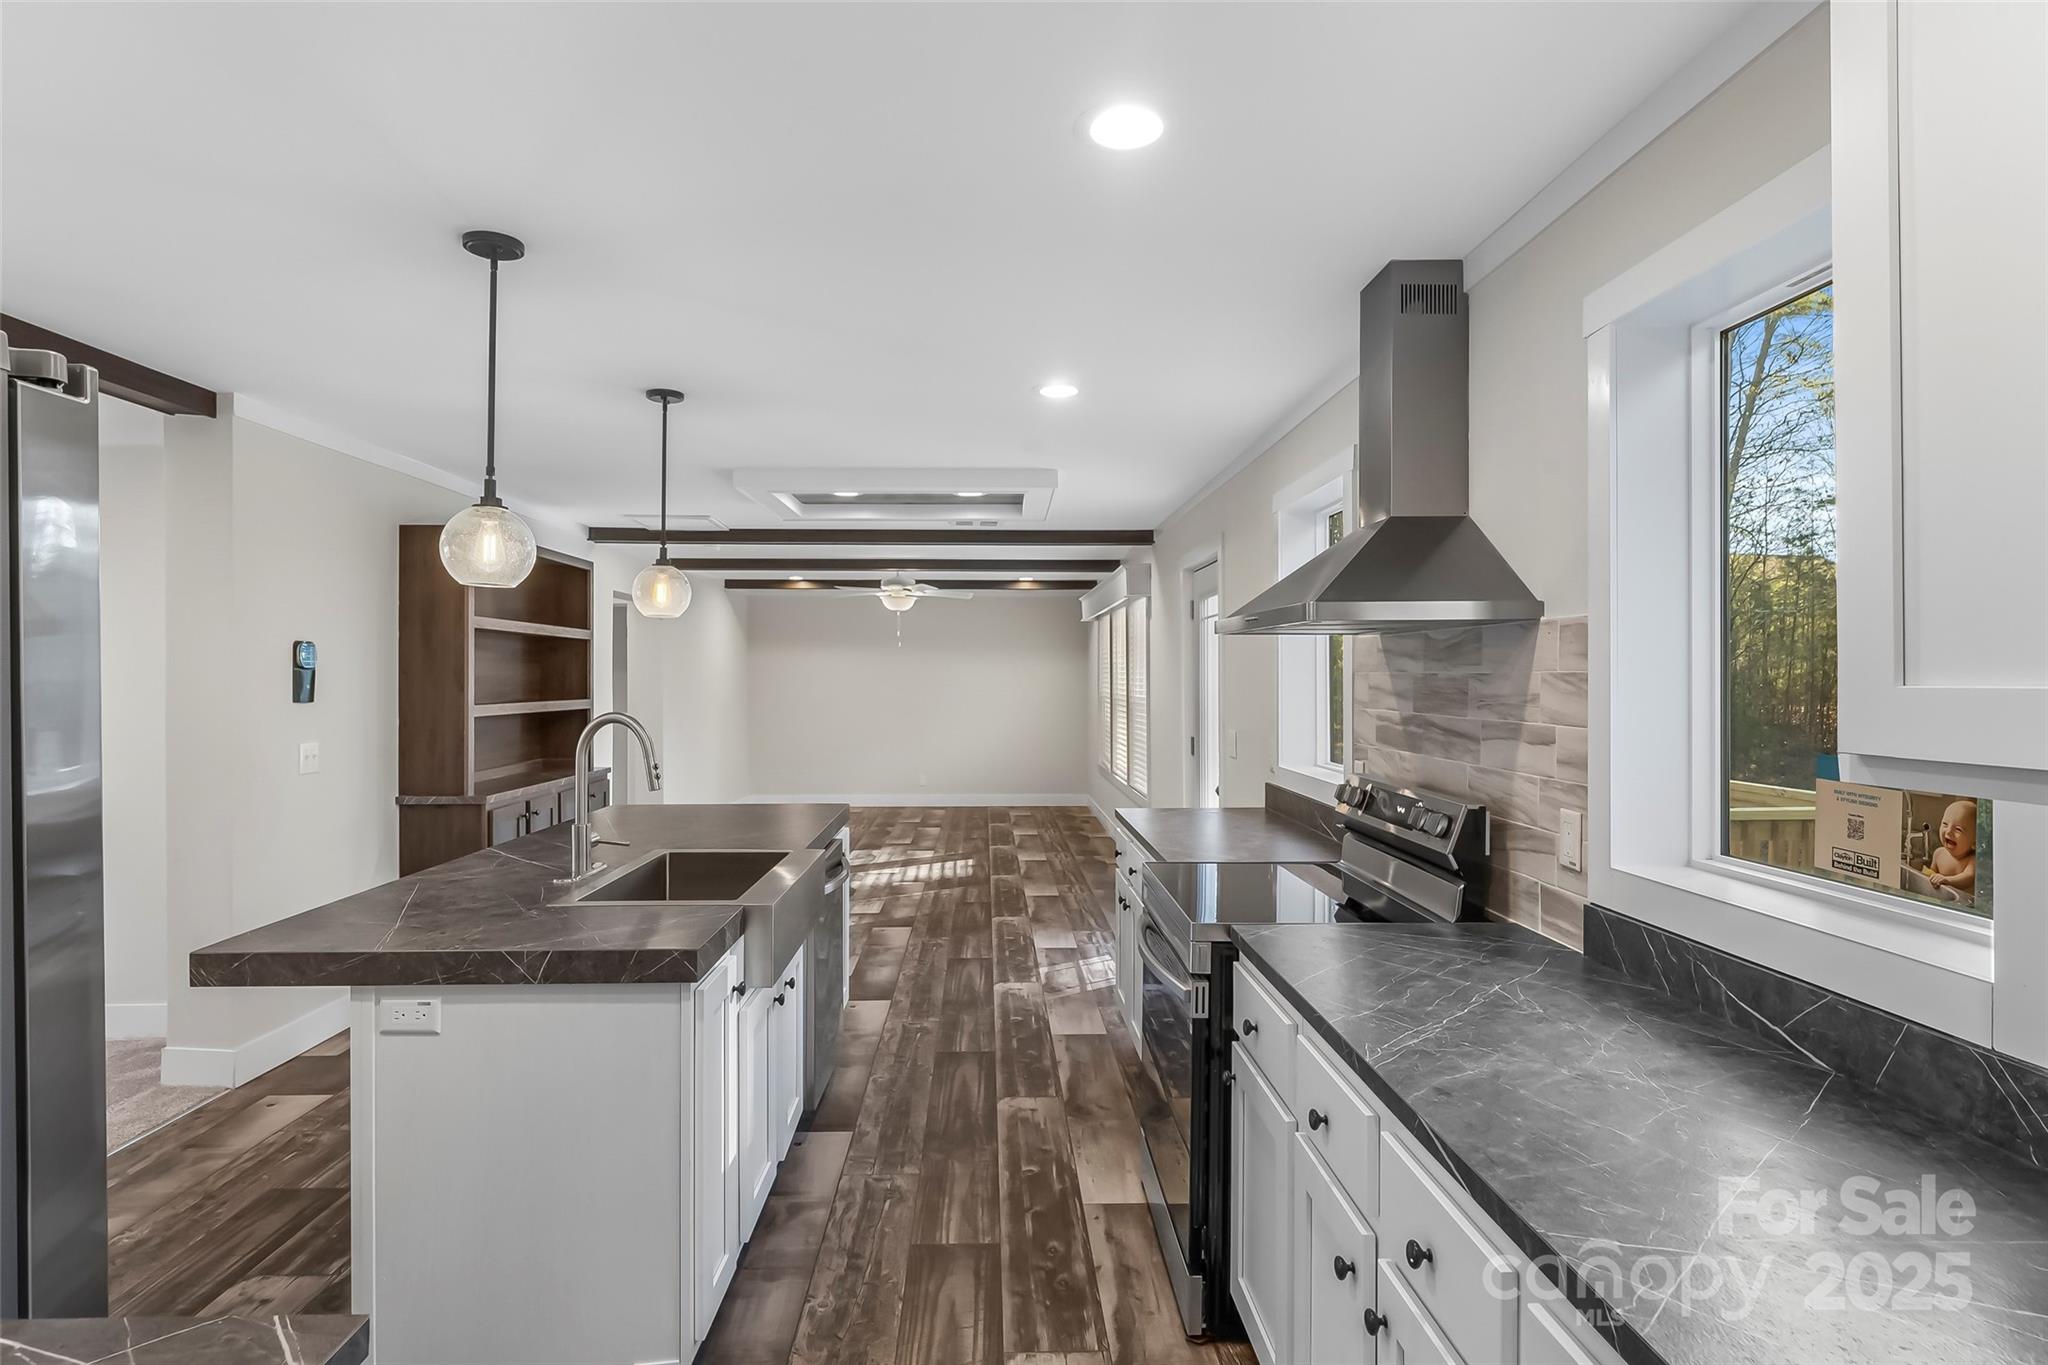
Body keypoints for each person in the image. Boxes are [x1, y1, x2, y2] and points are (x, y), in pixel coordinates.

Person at [1927, 799, 1978, 901]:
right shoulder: (1939, 854)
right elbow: (1930, 875)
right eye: (1945, 824)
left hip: (1964, 906)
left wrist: (1947, 880)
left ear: (1974, 843)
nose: (1949, 831)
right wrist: (1927, 876)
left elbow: (1968, 877)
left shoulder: (1972, 860)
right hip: (1942, 901)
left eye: (1958, 829)